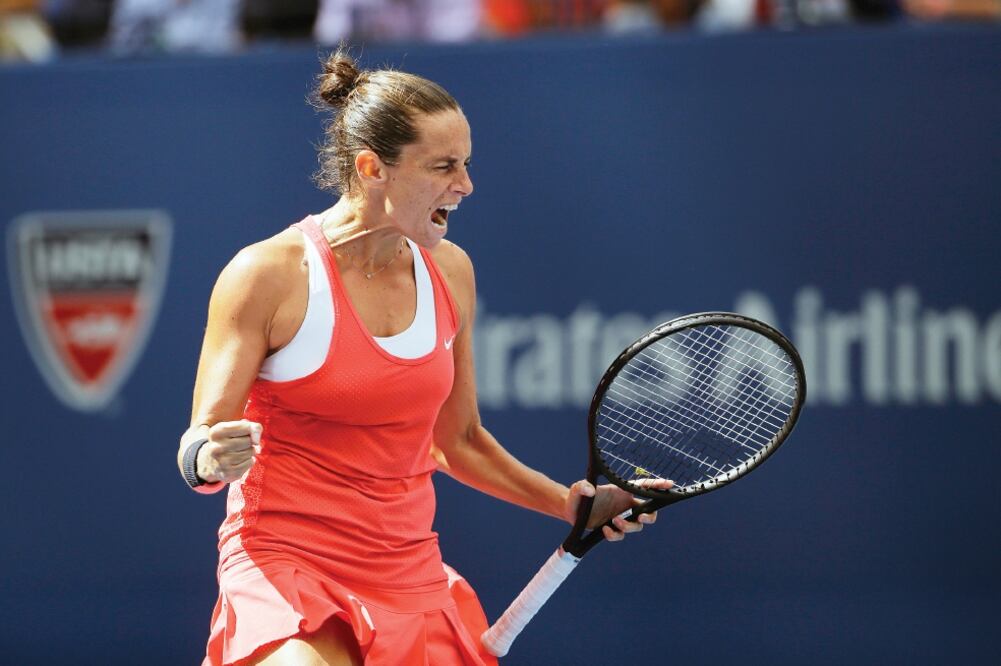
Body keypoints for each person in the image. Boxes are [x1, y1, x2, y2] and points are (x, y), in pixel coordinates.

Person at [177, 49, 667, 666]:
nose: (464, 185)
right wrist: (209, 455)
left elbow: (457, 440)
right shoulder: (268, 275)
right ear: (371, 168)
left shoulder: (451, 271)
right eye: (442, 167)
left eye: (465, 164)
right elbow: (199, 446)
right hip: (285, 556)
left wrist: (571, 505)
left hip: (408, 569)